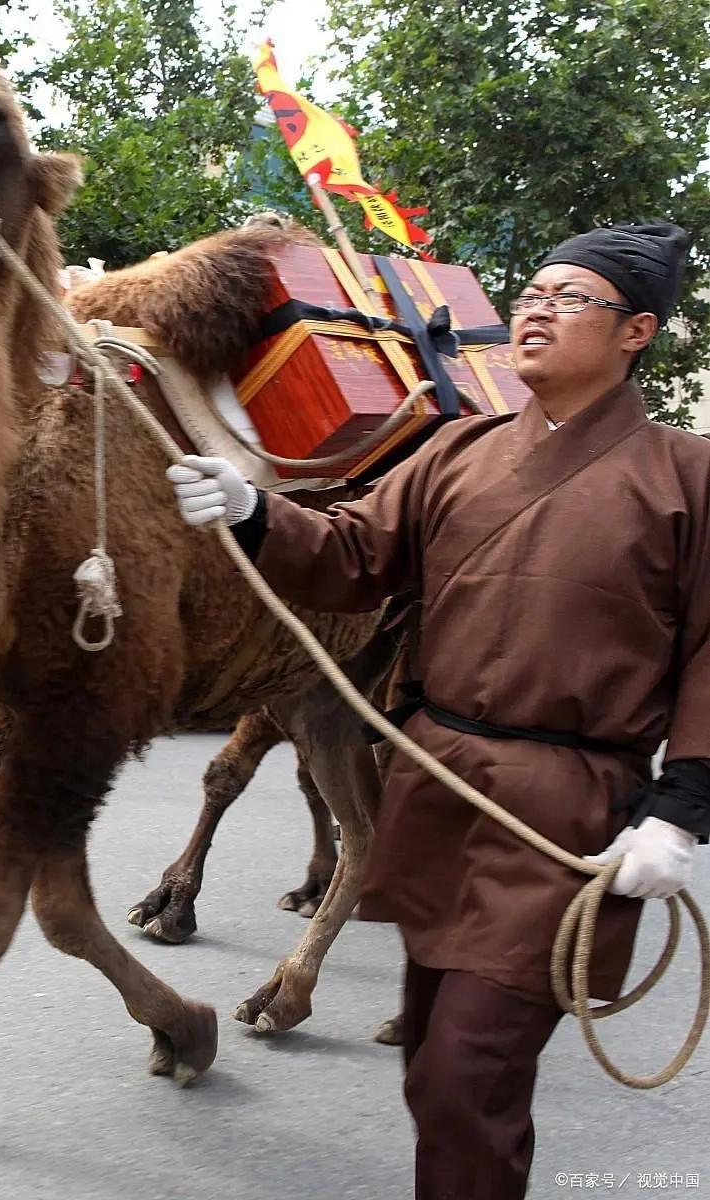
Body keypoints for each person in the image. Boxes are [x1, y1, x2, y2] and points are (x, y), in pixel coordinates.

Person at [166, 223, 710, 1199]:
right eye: (530, 291)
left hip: (565, 815)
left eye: (568, 297)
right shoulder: (458, 452)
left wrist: (685, 804)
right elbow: (347, 558)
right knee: (435, 1074)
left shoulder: (689, 477)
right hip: (438, 788)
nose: (535, 309)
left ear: (636, 332)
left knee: (467, 1073)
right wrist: (254, 511)